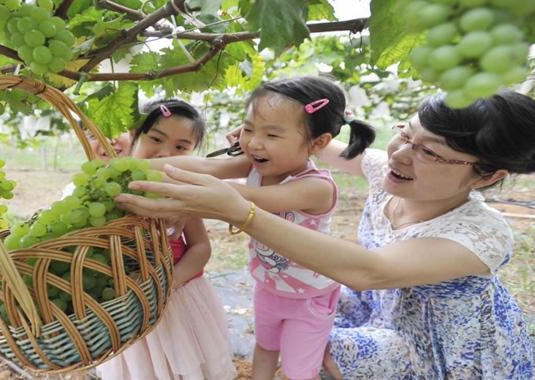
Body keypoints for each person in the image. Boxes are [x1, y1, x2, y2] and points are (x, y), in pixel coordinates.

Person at [114, 90, 535, 379]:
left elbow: (369, 271)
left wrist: (238, 208)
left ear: (488, 177)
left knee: (318, 351)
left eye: (429, 151)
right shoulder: (388, 167)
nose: (402, 154)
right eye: (407, 134)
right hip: (376, 311)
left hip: (446, 350)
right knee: (303, 338)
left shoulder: (483, 234)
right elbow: (307, 144)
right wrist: (267, 140)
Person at [145, 77, 375, 380]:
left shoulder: (315, 187)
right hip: (268, 286)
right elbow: (206, 167)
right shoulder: (256, 165)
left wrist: (179, 190)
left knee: (298, 370)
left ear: (318, 142)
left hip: (309, 298)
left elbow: (246, 199)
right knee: (265, 348)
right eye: (249, 128)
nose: (253, 143)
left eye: (272, 134)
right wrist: (137, 167)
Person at [97, 99, 236, 380]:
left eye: (181, 148)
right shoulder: (110, 191)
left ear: (192, 154)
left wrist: (167, 284)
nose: (166, 153)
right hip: (130, 308)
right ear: (135, 137)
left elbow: (200, 247)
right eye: (156, 139)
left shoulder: (183, 190)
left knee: (185, 370)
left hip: (177, 301)